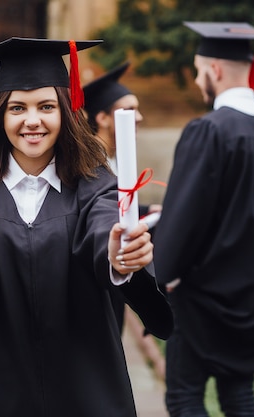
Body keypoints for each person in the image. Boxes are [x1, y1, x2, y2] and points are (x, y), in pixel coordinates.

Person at [0, 36, 173, 417]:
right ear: (0, 115)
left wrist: (117, 252)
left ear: (65, 112)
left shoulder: (94, 187)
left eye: (46, 106)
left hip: (77, 386)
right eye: (18, 107)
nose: (32, 120)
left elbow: (104, 224)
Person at [153, 22, 254, 417]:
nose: (200, 81)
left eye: (199, 71)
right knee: (239, 392)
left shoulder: (209, 130)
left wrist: (162, 272)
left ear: (214, 70)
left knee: (184, 396)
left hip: (204, 299)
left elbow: (188, 216)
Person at [83, 62, 161, 332]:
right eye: (129, 110)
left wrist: (150, 208)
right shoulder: (87, 166)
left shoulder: (116, 159)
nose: (138, 118)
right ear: (102, 118)